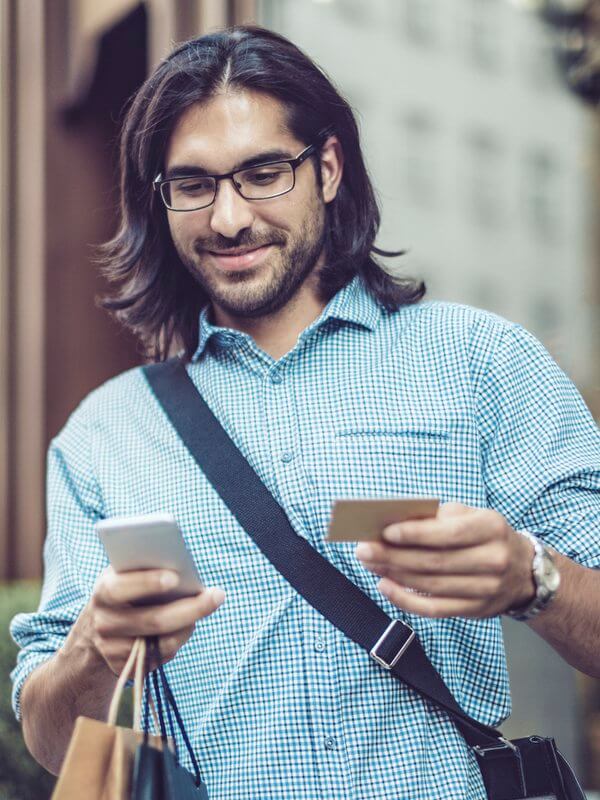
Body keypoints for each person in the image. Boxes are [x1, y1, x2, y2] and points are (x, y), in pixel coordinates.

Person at [10, 25, 600, 800]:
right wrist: (91, 653)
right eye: (193, 185)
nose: (228, 218)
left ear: (326, 168)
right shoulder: (103, 435)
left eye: (262, 173)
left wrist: (534, 579)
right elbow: (56, 746)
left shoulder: (480, 361)